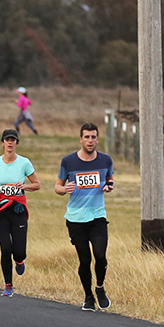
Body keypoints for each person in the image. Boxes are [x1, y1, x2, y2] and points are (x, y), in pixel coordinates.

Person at [55, 122, 115, 311]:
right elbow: (57, 186)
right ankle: (88, 297)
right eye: (87, 137)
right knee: (85, 260)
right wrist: (64, 189)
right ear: (81, 139)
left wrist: (109, 185)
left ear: (98, 139)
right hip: (76, 219)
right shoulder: (69, 161)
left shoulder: (105, 160)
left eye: (93, 137)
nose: (90, 140)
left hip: (97, 216)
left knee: (100, 255)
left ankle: (100, 288)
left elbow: (110, 179)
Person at [0, 129, 41, 298]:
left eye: (12, 140)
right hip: (1, 210)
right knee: (5, 247)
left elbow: (37, 184)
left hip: (18, 210)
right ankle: (8, 285)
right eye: (7, 140)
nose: (9, 143)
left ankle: (20, 260)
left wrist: (24, 187)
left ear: (16, 143)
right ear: (2, 143)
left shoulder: (24, 163)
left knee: (19, 250)